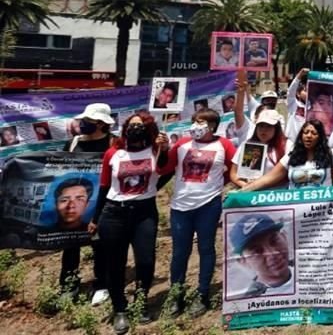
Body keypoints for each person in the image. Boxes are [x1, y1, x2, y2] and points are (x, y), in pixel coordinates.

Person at [91, 112, 171, 334]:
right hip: (114, 213)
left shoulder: (156, 151)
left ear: (149, 129)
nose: (135, 129)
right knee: (115, 263)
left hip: (144, 213)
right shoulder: (112, 154)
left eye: (140, 125)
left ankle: (141, 300)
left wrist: (164, 150)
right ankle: (120, 309)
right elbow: (105, 186)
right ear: (125, 129)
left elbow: (166, 169)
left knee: (145, 260)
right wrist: (95, 218)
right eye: (131, 125)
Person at [166, 110, 236, 317]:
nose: (196, 125)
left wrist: (219, 186)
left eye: (201, 122)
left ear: (212, 126)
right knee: (180, 252)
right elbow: (165, 168)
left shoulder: (224, 145)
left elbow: (235, 169)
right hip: (180, 206)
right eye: (194, 121)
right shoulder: (182, 145)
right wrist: (161, 149)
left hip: (208, 205)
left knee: (206, 248)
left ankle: (202, 293)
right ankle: (176, 294)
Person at [60, 103, 113, 305]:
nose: (82, 124)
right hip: (75, 202)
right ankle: (68, 285)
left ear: (100, 123)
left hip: (102, 202)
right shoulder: (73, 143)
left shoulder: (112, 143)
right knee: (71, 244)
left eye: (87, 121)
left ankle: (101, 285)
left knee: (100, 245)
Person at [243, 119, 333, 191]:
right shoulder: (292, 155)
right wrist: (242, 191)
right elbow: (268, 178)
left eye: (314, 133)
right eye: (306, 132)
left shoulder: (330, 154)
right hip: (296, 209)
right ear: (301, 136)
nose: (309, 136)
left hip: (321, 210)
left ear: (320, 137)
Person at [226, 214, 294, 300]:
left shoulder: (308, 268)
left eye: (274, 241)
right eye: (257, 251)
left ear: (284, 237)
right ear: (242, 261)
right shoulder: (249, 303)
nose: (272, 254)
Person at [230, 107, 288, 186]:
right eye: (261, 126)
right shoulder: (247, 145)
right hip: (250, 194)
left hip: (277, 193)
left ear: (276, 128)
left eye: (268, 126)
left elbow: (283, 172)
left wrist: (255, 185)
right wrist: (244, 185)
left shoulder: (287, 145)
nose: (264, 130)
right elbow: (233, 173)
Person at [283, 68, 309, 139]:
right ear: (298, 93)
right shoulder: (293, 104)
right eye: (305, 91)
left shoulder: (312, 107)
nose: (308, 94)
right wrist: (300, 75)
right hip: (291, 141)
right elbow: (291, 91)